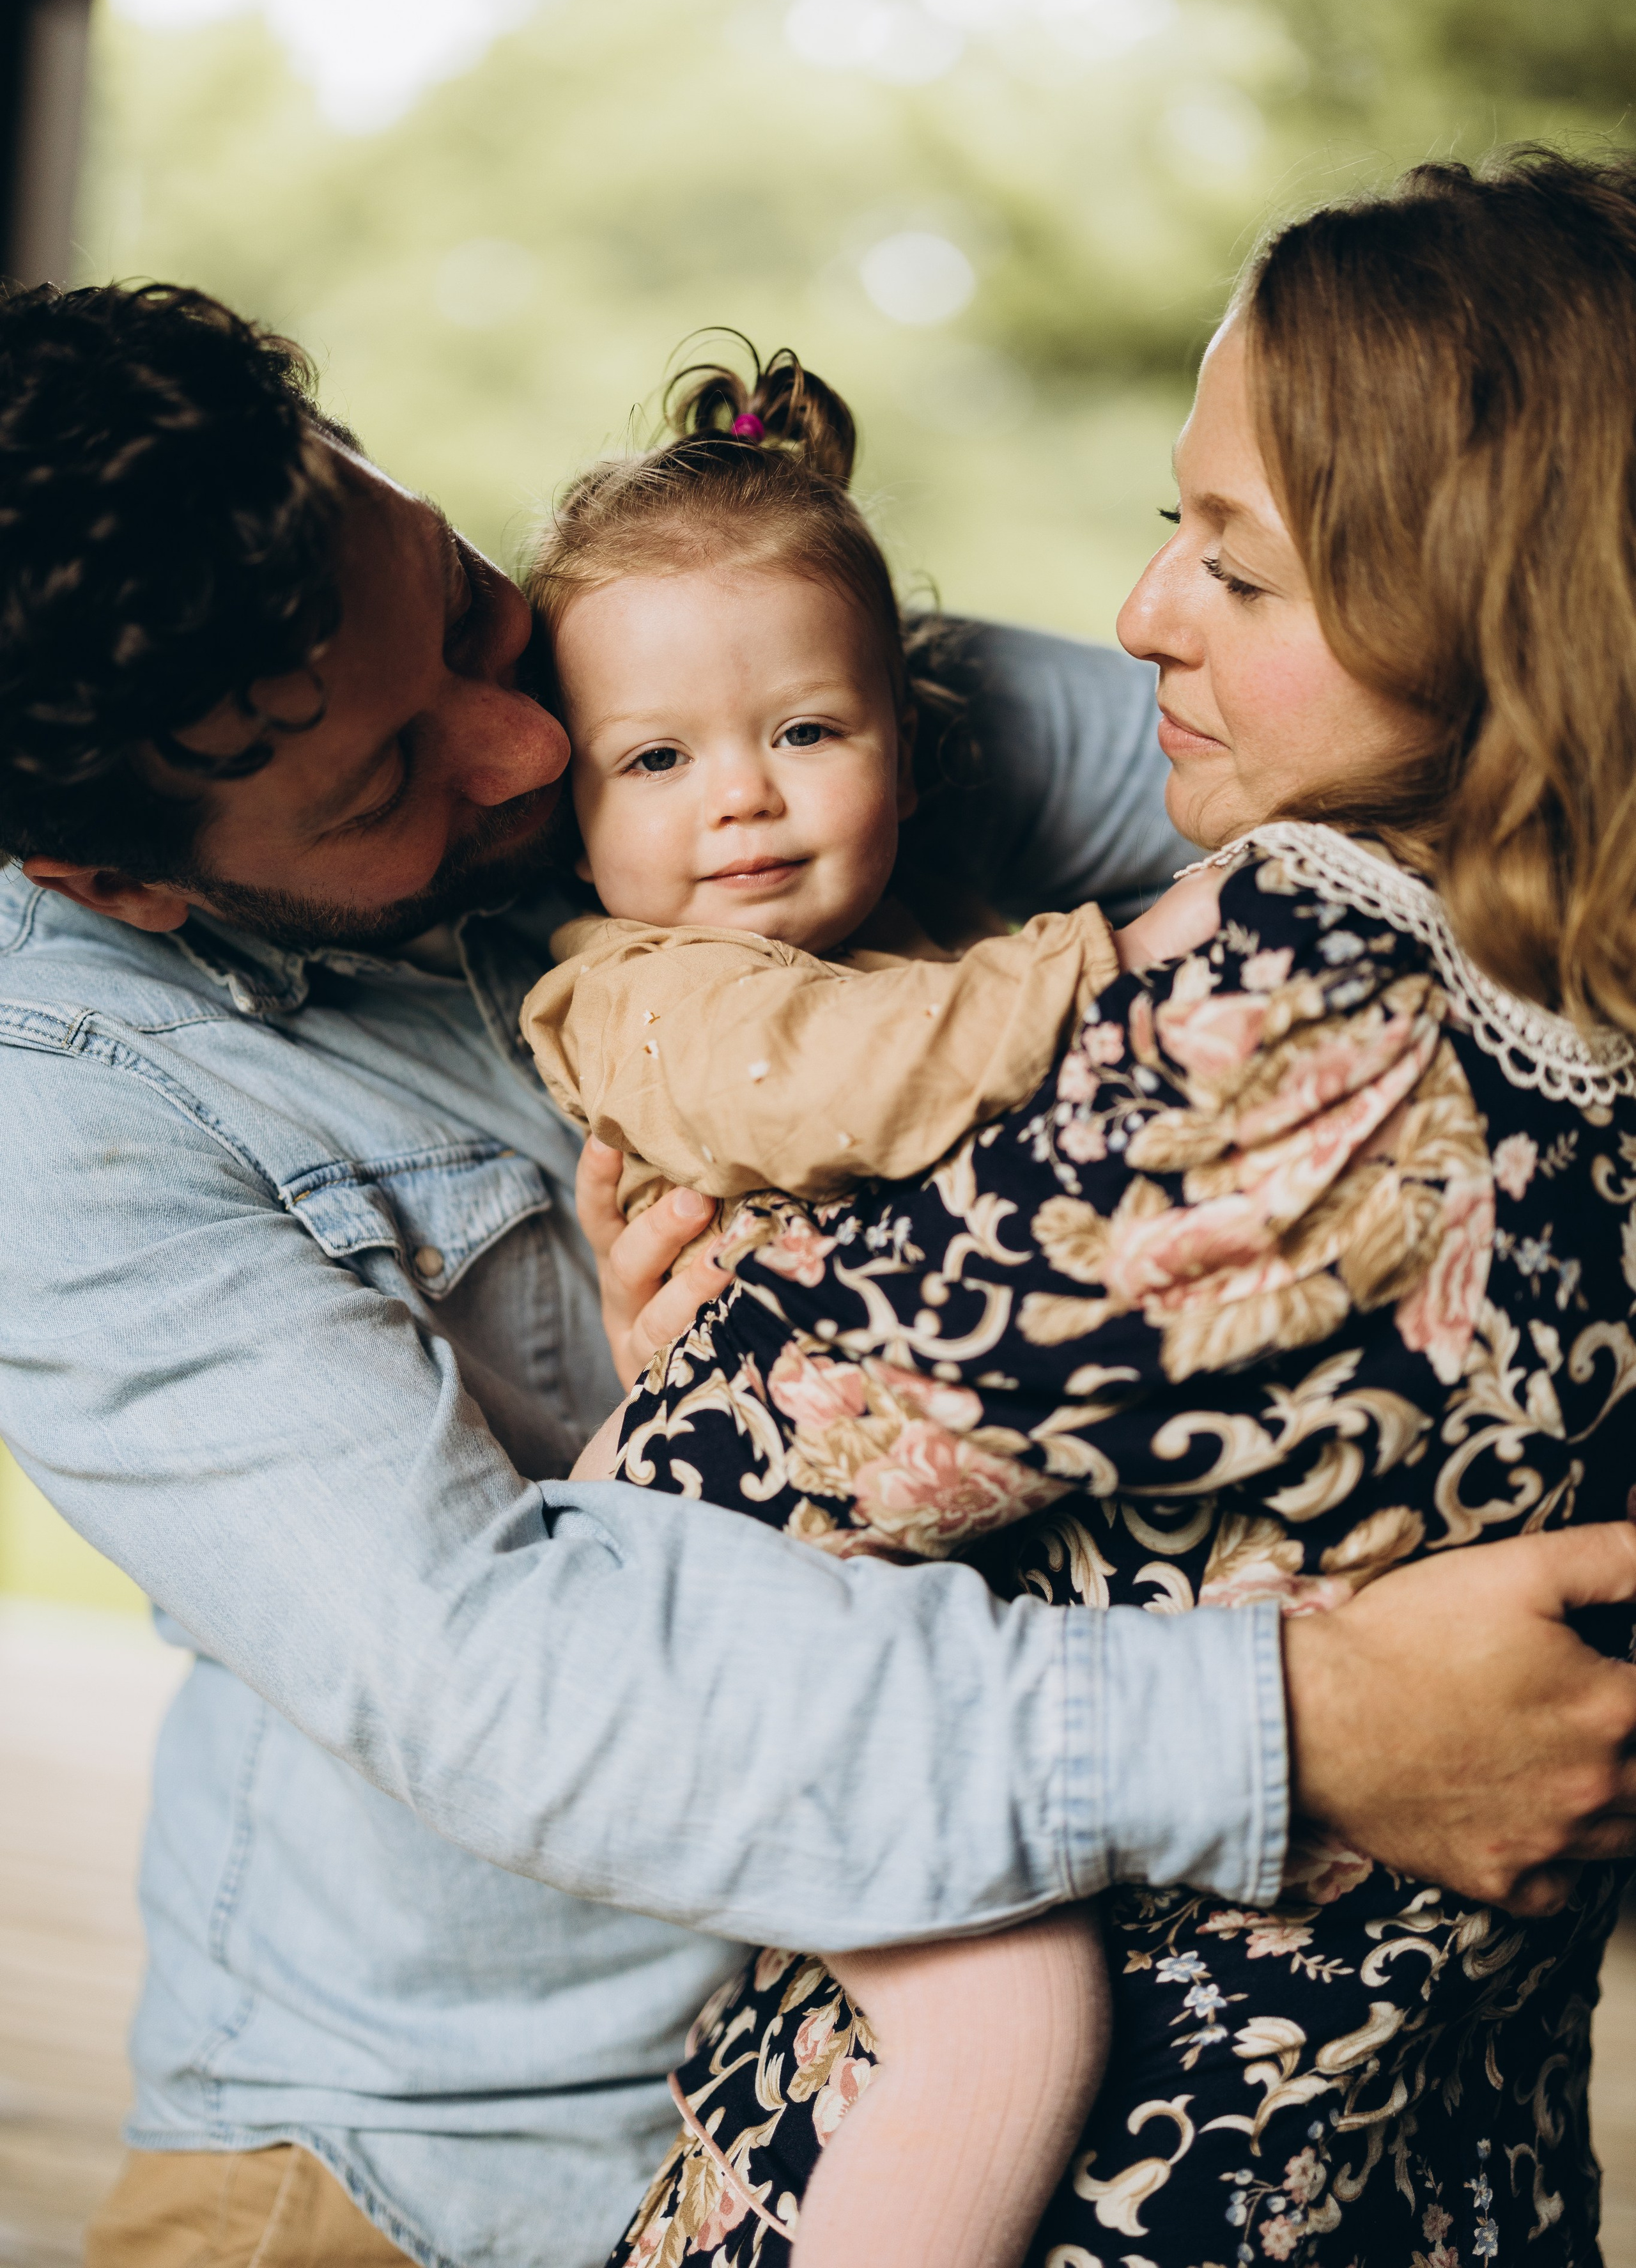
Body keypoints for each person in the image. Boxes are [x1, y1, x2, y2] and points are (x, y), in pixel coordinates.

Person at [0, 280, 1631, 2268]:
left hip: (880, 2089)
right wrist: (1312, 1723)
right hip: (427, 2157)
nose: (531, 752)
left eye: (463, 610)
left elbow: (1402, 758)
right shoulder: (61, 1113)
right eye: (385, 786)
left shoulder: (732, 680)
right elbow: (507, 1687)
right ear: (122, 882)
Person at [582, 148, 1636, 2268]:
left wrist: (677, 1357)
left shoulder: (1298, 1009)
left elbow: (649, 1567)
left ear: (1484, 602)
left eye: (1239, 569)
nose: (1148, 606)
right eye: (1176, 525)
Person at [521, 343, 1226, 2268]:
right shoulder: (646, 997)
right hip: (709, 1596)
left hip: (882, 1599)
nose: (739, 802)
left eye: (807, 733)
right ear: (563, 809)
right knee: (1009, 2009)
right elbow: (863, 1086)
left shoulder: (934, 942)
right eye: (656, 760)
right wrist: (1152, 959)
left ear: (906, 742)